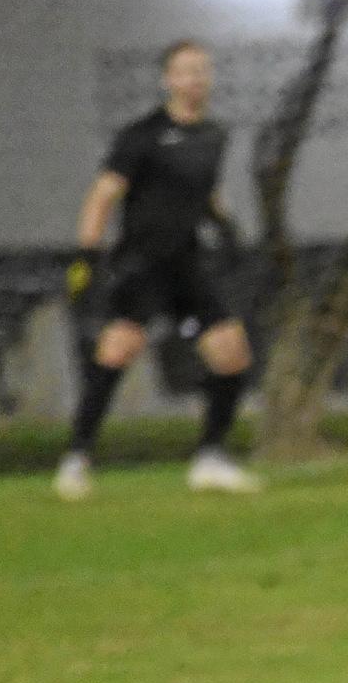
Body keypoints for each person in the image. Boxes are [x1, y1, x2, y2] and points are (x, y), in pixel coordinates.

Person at [57, 40, 260, 499]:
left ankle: (210, 458)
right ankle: (75, 460)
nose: (195, 79)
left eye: (201, 70)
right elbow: (103, 194)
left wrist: (226, 228)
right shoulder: (142, 135)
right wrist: (86, 258)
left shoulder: (214, 136)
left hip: (187, 263)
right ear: (168, 80)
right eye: (185, 71)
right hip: (141, 264)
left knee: (232, 352)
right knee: (117, 351)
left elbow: (204, 193)